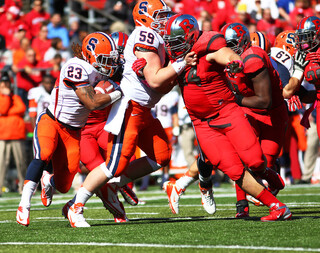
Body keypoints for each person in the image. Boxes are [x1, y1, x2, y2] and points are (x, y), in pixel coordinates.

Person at [63, 0, 197, 228]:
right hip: (131, 107)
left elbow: (160, 86)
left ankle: (114, 186)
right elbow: (156, 80)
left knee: (161, 155)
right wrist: (181, 64)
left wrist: (172, 70)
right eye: (160, 16)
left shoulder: (155, 37)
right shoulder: (147, 35)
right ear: (145, 18)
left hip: (144, 109)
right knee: (114, 164)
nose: (165, 20)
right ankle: (76, 205)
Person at [163, 13, 291, 221]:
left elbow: (225, 54)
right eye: (170, 43)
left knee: (256, 161)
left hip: (227, 113)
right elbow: (160, 83)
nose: (172, 47)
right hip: (202, 124)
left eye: (177, 42)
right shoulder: (175, 61)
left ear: (190, 37)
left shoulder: (206, 49)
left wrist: (235, 62)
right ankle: (277, 207)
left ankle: (268, 175)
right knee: (234, 170)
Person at [16, 32, 123, 227]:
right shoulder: (76, 67)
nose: (110, 65)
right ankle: (24, 204)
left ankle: (49, 180)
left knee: (65, 185)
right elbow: (91, 103)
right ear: (90, 56)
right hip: (52, 121)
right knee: (44, 154)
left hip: (73, 132)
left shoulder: (98, 68)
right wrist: (117, 92)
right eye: (105, 60)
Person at [222, 22, 290, 217]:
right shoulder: (226, 58)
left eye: (232, 43)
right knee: (243, 158)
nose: (229, 49)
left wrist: (233, 98)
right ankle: (241, 204)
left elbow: (264, 101)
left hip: (271, 113)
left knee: (263, 164)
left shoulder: (253, 58)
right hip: (248, 111)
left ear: (243, 41)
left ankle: (272, 183)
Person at [76, 31, 137, 223]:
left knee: (126, 157)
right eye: (109, 57)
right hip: (82, 130)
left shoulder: (119, 68)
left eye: (118, 56)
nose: (115, 61)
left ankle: (119, 186)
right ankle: (112, 206)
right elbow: (91, 101)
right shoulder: (78, 70)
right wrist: (112, 92)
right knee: (98, 171)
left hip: (104, 125)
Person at [0, 72, 26, 196]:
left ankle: (23, 186)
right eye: (2, 84)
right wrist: (5, 97)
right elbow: (2, 109)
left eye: (7, 84)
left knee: (20, 162)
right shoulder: (3, 97)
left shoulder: (16, 97)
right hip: (3, 135)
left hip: (16, 134)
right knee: (1, 163)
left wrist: (7, 112)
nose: (5, 86)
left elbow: (21, 109)